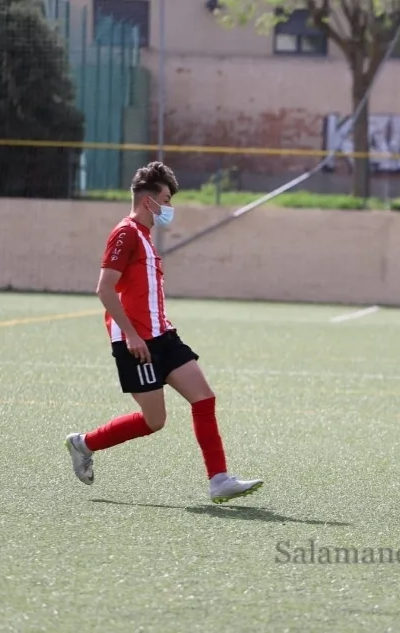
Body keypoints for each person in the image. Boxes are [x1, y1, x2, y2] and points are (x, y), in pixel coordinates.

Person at [64, 161, 264, 503]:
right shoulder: (126, 232)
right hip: (137, 342)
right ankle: (83, 443)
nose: (170, 207)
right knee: (154, 421)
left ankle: (219, 480)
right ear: (148, 200)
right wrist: (130, 334)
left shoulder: (144, 236)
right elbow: (104, 289)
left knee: (204, 398)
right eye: (166, 198)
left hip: (163, 336)